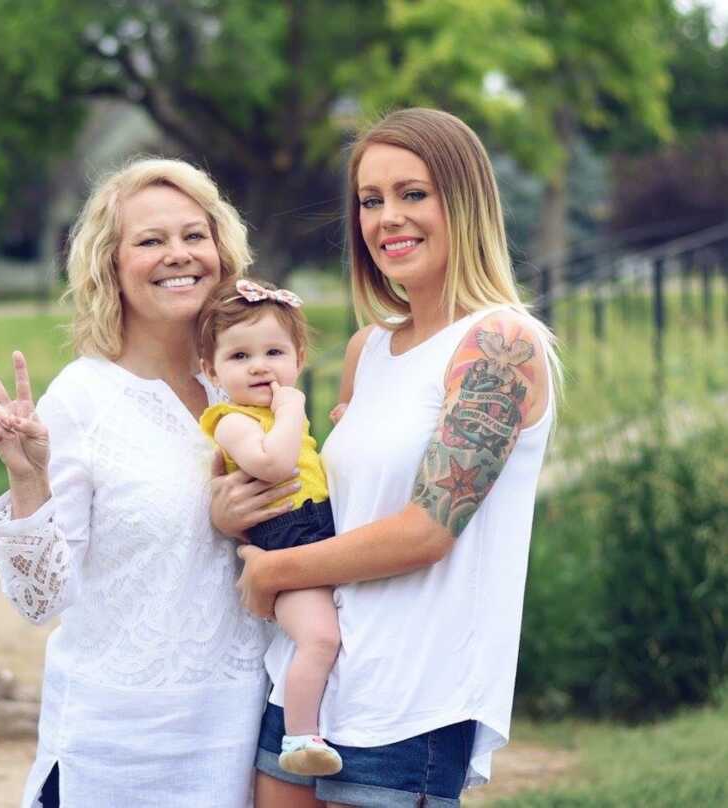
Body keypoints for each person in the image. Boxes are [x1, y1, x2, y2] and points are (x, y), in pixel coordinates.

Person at [210, 108, 561, 808]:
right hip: (310, 682)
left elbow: (425, 531)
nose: (387, 219)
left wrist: (275, 571)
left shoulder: (500, 345)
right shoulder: (367, 351)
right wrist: (229, 508)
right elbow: (334, 504)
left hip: (412, 706)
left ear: (463, 202)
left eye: (413, 193)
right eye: (371, 201)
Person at [0, 158, 297, 808]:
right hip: (118, 750)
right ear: (110, 265)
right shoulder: (84, 399)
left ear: (221, 250)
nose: (178, 255)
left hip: (238, 735)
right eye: (150, 241)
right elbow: (41, 603)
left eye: (193, 235)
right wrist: (28, 478)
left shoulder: (245, 386)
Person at [197, 276, 343, 777]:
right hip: (287, 543)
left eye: (274, 352)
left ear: (298, 358)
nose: (259, 365)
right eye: (239, 357)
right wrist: (293, 408)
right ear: (210, 369)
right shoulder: (232, 419)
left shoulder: (276, 414)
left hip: (319, 532)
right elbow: (276, 465)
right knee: (320, 638)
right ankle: (300, 737)